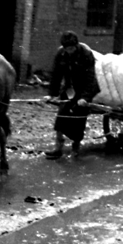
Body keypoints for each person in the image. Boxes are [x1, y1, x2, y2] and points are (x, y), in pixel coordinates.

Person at [44, 30, 100, 159]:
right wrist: (52, 94)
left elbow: (90, 77)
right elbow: (56, 75)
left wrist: (85, 98)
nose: (70, 51)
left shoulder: (86, 54)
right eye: (67, 49)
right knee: (61, 117)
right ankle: (58, 148)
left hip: (85, 88)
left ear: (76, 46)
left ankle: (76, 148)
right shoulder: (61, 54)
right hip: (69, 88)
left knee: (78, 120)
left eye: (72, 48)